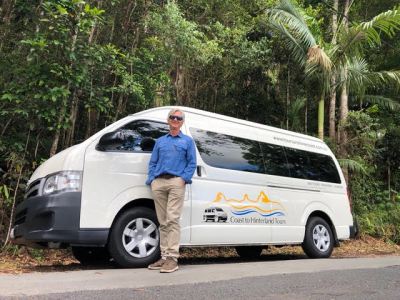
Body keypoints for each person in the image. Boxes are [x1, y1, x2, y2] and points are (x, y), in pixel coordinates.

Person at [146, 108, 197, 273]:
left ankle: (173, 259)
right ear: (168, 120)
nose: (175, 120)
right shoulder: (160, 141)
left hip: (176, 182)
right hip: (159, 182)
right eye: (172, 117)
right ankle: (164, 256)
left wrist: (183, 179)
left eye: (179, 118)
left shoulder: (187, 141)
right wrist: (152, 180)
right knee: (162, 221)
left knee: (172, 219)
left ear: (182, 122)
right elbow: (153, 162)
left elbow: (191, 163)